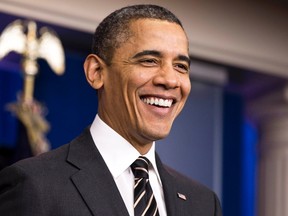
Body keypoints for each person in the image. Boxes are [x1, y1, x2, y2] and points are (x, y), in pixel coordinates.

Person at [0, 4, 222, 216]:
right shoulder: (35, 184)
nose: (171, 80)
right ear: (96, 72)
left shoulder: (203, 203)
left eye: (181, 66)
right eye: (149, 61)